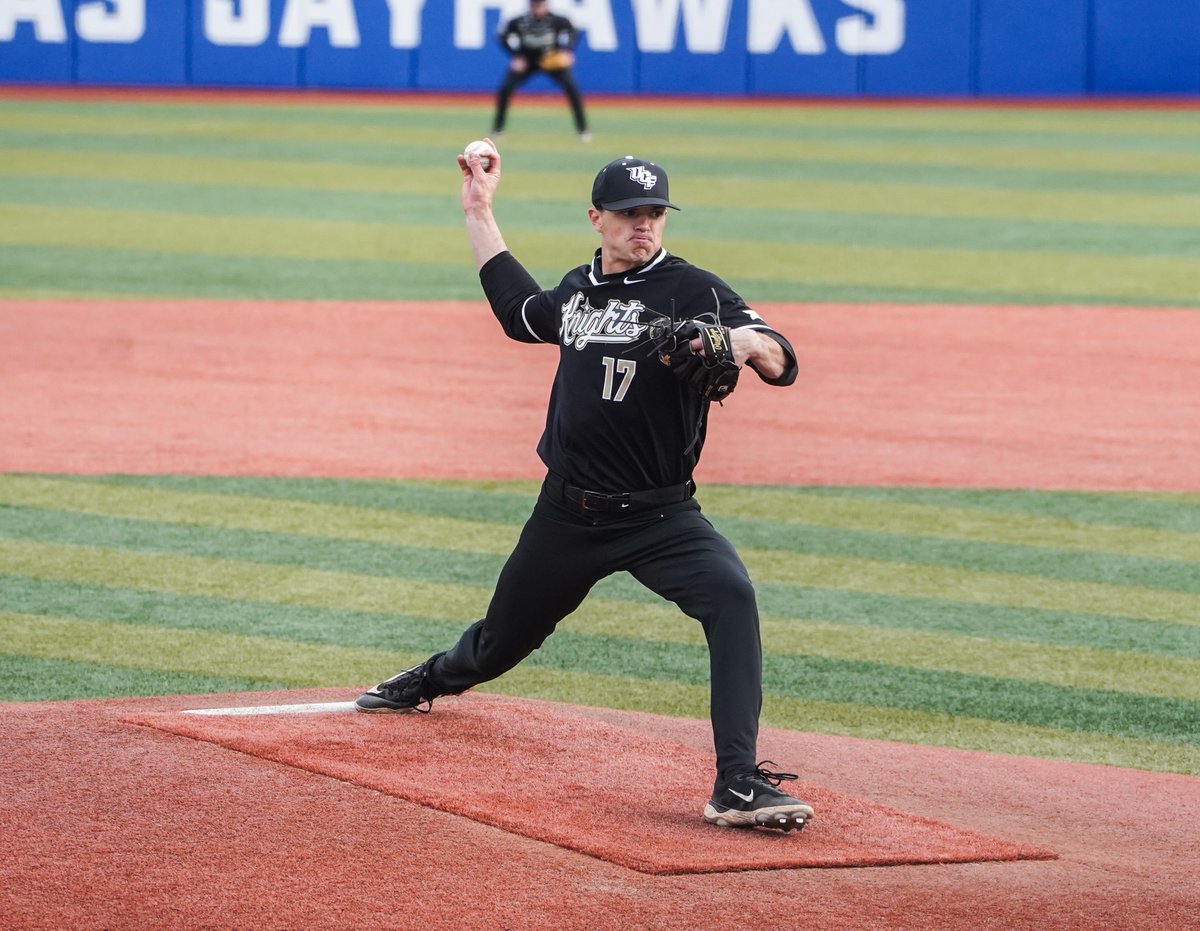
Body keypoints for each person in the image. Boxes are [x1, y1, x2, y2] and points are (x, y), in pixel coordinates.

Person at [355, 143, 814, 833]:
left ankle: (737, 782)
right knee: (497, 644)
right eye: (630, 213)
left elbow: (781, 359)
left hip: (662, 516)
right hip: (566, 514)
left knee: (732, 594)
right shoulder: (577, 290)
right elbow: (518, 311)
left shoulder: (696, 290)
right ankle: (432, 678)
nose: (645, 224)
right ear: (596, 217)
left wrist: (748, 347)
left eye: (655, 211)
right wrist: (479, 209)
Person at [492, 0, 590, 142]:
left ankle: (583, 130)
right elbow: (502, 35)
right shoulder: (520, 22)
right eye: (535, 5)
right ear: (530, 6)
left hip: (551, 61)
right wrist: (516, 55)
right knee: (505, 88)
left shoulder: (557, 20)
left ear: (547, 6)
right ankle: (497, 129)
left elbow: (574, 32)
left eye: (541, 5)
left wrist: (566, 51)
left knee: (572, 87)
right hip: (528, 61)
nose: (538, 9)